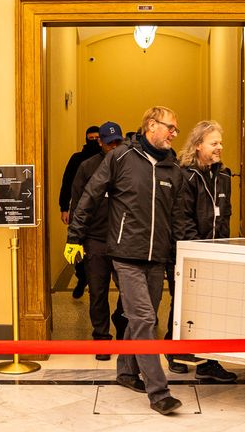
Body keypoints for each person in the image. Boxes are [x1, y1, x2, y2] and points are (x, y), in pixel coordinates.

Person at [65, 106, 188, 415]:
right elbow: (89, 196)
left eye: (176, 128)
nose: (175, 133)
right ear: (151, 125)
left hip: (157, 257)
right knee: (145, 318)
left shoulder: (172, 169)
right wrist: (74, 238)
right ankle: (158, 392)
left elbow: (176, 218)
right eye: (170, 127)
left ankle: (125, 371)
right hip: (125, 255)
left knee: (140, 318)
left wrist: (177, 257)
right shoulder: (120, 158)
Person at [165, 120, 237, 382]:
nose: (220, 147)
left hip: (216, 254)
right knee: (184, 305)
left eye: (220, 142)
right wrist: (196, 254)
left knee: (213, 308)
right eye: (214, 143)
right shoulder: (185, 177)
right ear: (198, 146)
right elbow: (181, 220)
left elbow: (223, 218)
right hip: (188, 254)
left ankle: (209, 362)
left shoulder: (224, 175)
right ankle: (174, 351)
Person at [70, 121, 128, 358]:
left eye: (118, 141)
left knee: (129, 291)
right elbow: (77, 203)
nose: (113, 146)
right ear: (100, 142)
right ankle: (101, 338)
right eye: (109, 142)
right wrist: (75, 238)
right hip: (95, 239)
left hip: (124, 239)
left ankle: (122, 325)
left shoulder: (129, 166)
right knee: (97, 291)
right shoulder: (86, 167)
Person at [59, 126, 102, 298]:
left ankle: (93, 282)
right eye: (89, 138)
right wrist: (64, 207)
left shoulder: (106, 159)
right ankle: (81, 277)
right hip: (78, 210)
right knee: (77, 246)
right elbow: (67, 183)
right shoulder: (77, 159)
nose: (93, 141)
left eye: (96, 138)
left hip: (100, 213)